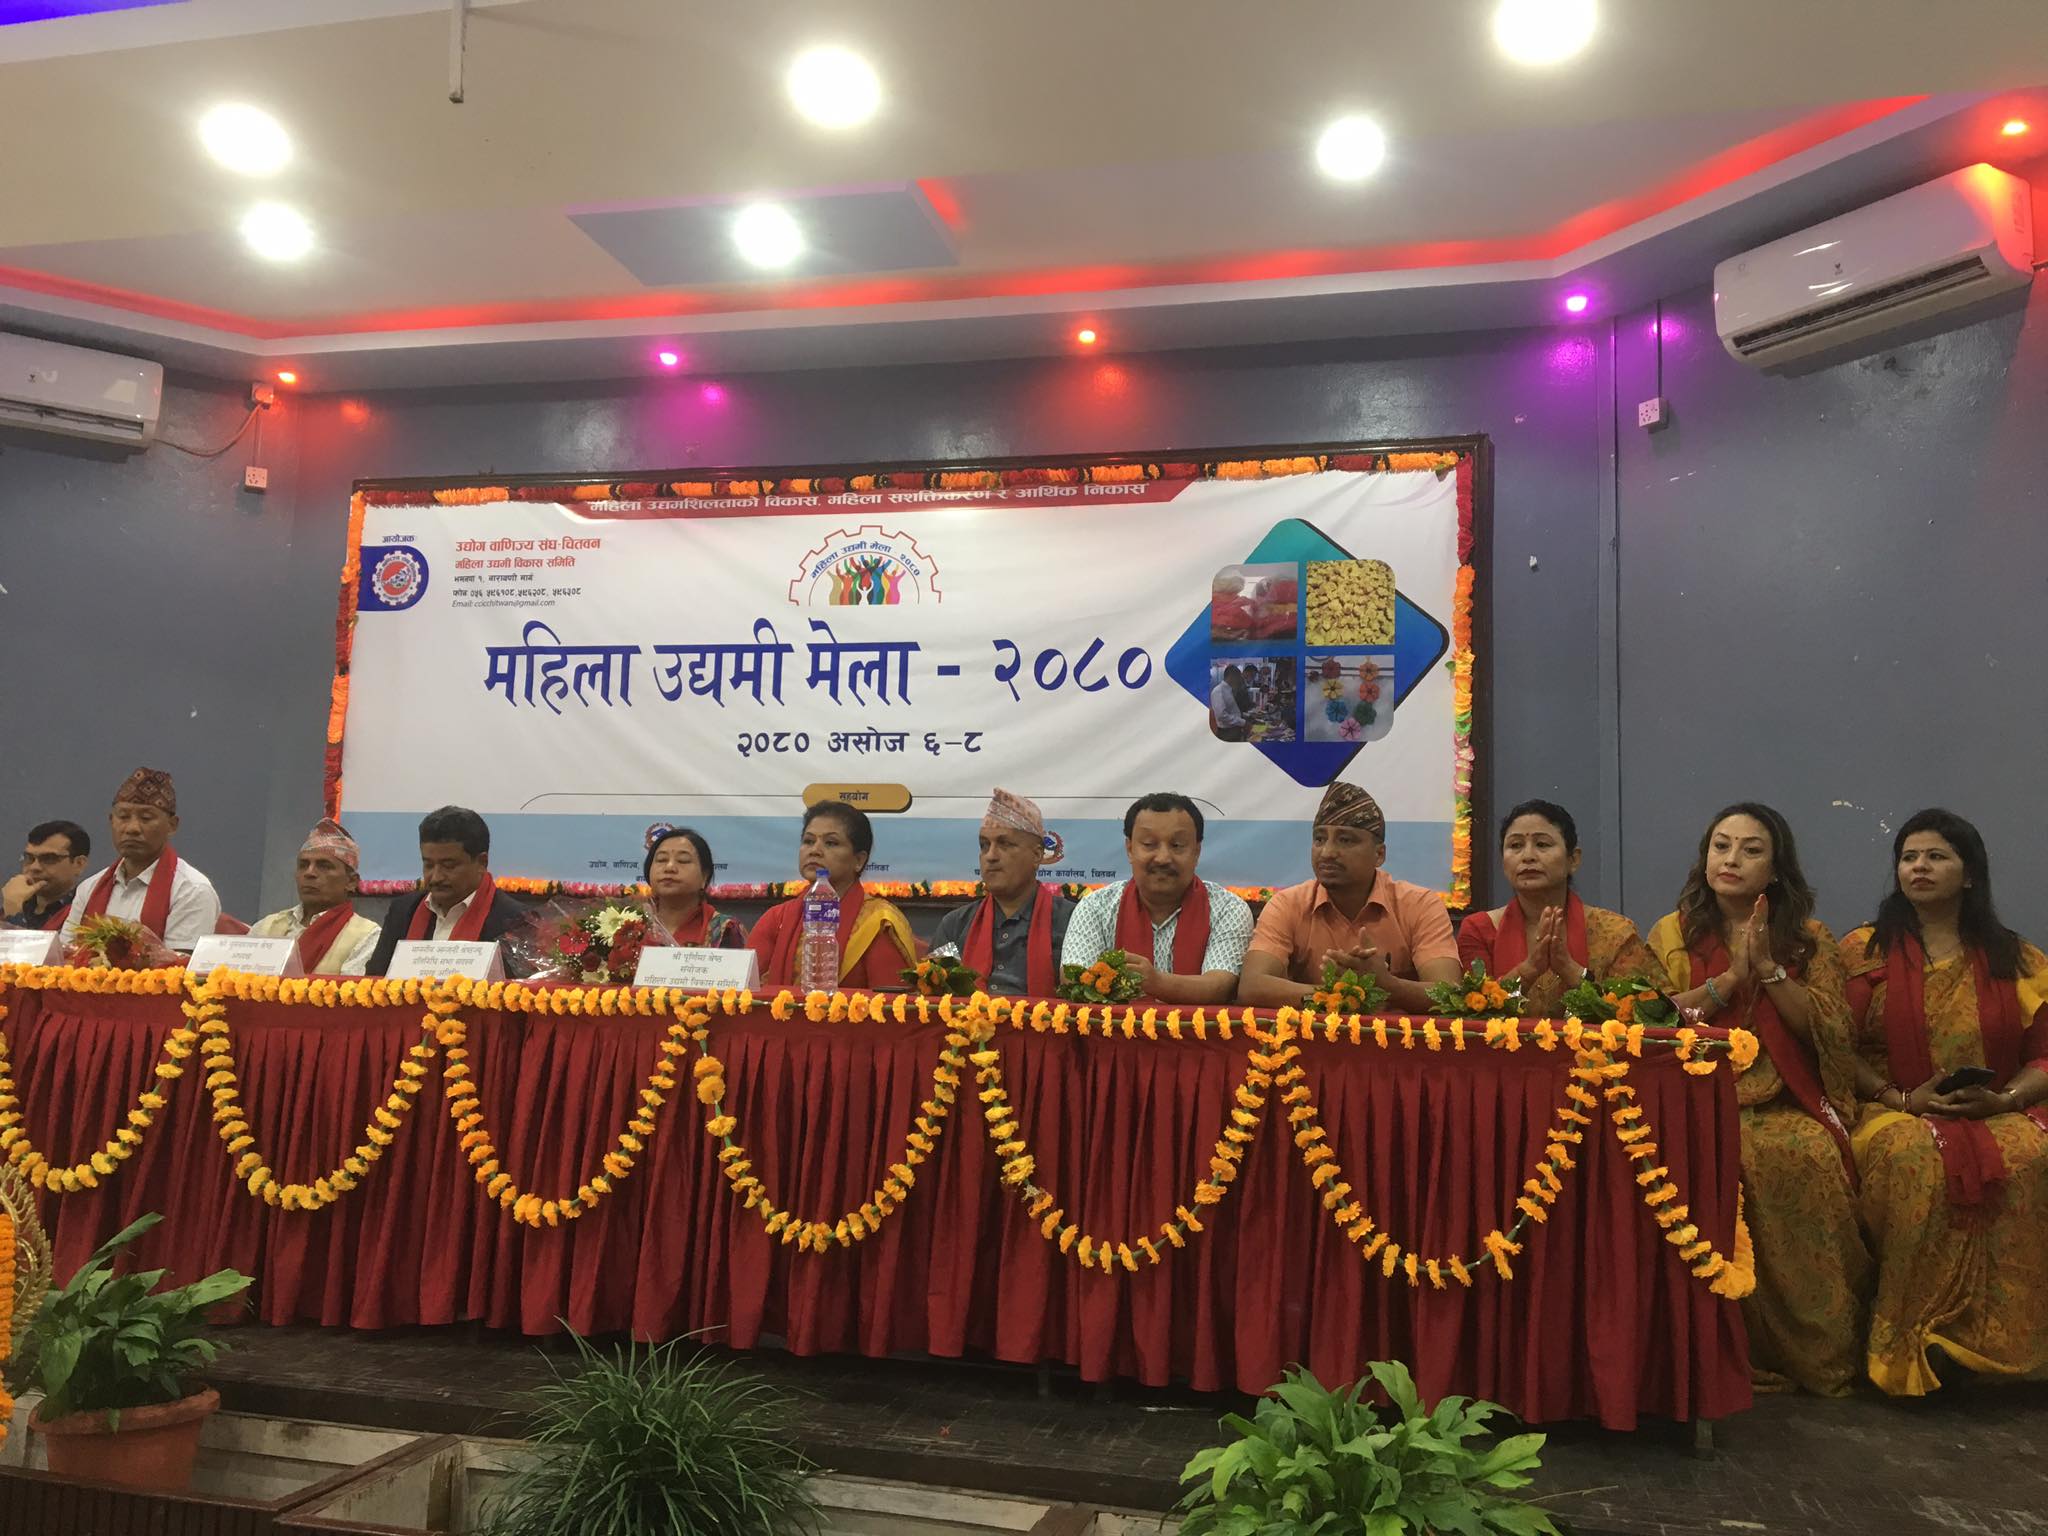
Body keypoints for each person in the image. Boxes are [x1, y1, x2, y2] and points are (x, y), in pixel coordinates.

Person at [1647, 802, 1868, 1396]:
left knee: (1802, 1159)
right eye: (1721, 846)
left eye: (1751, 850)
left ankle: (1811, 1351)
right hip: (1692, 1096)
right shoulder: (1672, 933)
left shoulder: (1810, 939)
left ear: (1776, 867)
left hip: (1784, 1098)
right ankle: (1710, 1350)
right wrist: (1730, 980)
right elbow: (1655, 1018)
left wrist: (1768, 967)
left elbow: (1829, 1031)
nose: (1732, 859)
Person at [1837, 809, 2048, 1397]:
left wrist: (2004, 1099)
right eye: (1909, 858)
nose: (1920, 868)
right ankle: (1910, 1345)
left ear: (1970, 873)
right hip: (1889, 1108)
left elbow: (2045, 1054)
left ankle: (2005, 1350)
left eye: (1936, 857)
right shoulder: (1862, 952)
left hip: (1996, 1107)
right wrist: (1903, 1099)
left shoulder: (2018, 959)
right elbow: (1833, 1047)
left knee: (2030, 1158)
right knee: (1914, 1162)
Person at [1239, 782, 1461, 1010]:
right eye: (1319, 839)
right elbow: (1252, 986)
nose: (1327, 852)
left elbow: (1450, 992)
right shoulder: (1288, 904)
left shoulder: (1420, 905)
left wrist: (1389, 985)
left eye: (1345, 840)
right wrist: (1341, 995)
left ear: (1379, 854)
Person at [1456, 799, 1666, 1015]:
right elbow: (1474, 1014)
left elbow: (1641, 1014)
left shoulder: (1614, 932)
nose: (1528, 856)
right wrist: (1529, 970)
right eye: (1515, 846)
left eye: (1542, 844)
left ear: (1573, 860)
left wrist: (1569, 969)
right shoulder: (1479, 930)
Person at [1061, 793, 1252, 1004]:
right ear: (1130, 849)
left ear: (1197, 852)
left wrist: (1155, 982)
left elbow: (1220, 985)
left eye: (1177, 845)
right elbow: (1075, 978)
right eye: (1149, 844)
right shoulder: (1096, 907)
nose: (1162, 858)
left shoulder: (1227, 909)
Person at [749, 802, 916, 990]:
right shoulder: (777, 918)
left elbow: (890, 1002)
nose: (815, 850)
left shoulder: (879, 923)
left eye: (831, 843)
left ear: (859, 860)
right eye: (808, 841)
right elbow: (742, 989)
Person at [930, 788, 1075, 996]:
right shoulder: (955, 925)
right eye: (984, 845)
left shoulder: (1072, 922)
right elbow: (931, 997)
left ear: (1037, 855)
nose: (990, 856)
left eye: (1004, 844)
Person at [60, 768, 221, 951]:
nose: (132, 828)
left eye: (146, 818)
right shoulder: (89, 888)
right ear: (111, 821)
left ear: (172, 825)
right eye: (123, 817)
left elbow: (179, 964)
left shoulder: (191, 890)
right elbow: (65, 954)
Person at [365, 806, 527, 976]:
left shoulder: (516, 921)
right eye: (428, 865)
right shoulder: (403, 911)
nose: (436, 877)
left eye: (448, 866)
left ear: (482, 862)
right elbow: (373, 981)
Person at [248, 819, 382, 975]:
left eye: (324, 866)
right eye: (303, 865)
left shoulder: (366, 935)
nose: (309, 873)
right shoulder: (265, 927)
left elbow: (351, 990)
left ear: (351, 882)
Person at [643, 825, 745, 948]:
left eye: (683, 860)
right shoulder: (631, 923)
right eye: (661, 860)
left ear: (704, 877)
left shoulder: (724, 930)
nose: (669, 867)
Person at [4, 820, 91, 931]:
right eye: (29, 858)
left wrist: (13, 913)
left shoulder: (87, 912)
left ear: (79, 864)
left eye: (49, 858)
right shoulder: (15, 901)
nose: (34, 867)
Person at [1211, 665, 1249, 742]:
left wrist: (1244, 717)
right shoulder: (1218, 691)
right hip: (1227, 733)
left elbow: (1232, 710)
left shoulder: (1229, 690)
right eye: (1238, 677)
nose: (1239, 680)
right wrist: (1243, 722)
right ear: (1231, 676)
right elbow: (1221, 716)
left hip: (1235, 730)